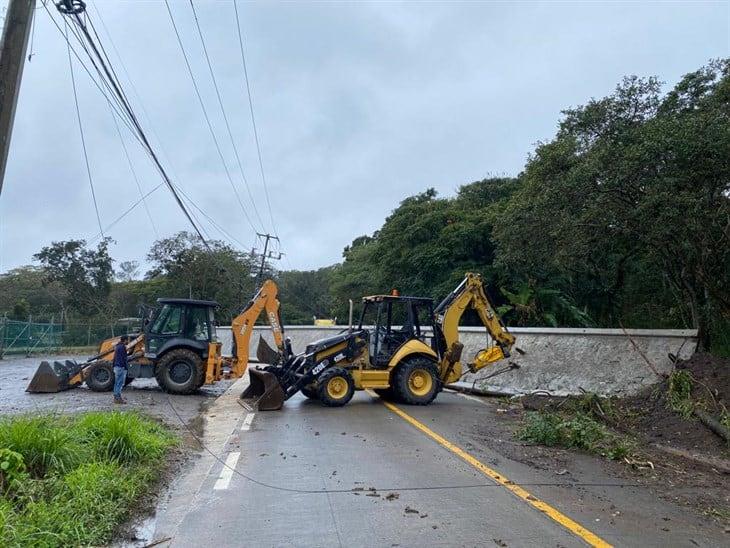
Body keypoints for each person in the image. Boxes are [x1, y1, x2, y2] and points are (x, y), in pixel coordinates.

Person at [113, 335, 129, 404]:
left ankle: (116, 397)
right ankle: (118, 399)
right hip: (120, 367)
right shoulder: (123, 347)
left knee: (116, 383)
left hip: (116, 366)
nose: (127, 341)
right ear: (125, 340)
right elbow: (124, 358)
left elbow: (115, 357)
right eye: (127, 340)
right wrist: (126, 367)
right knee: (120, 383)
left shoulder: (117, 347)